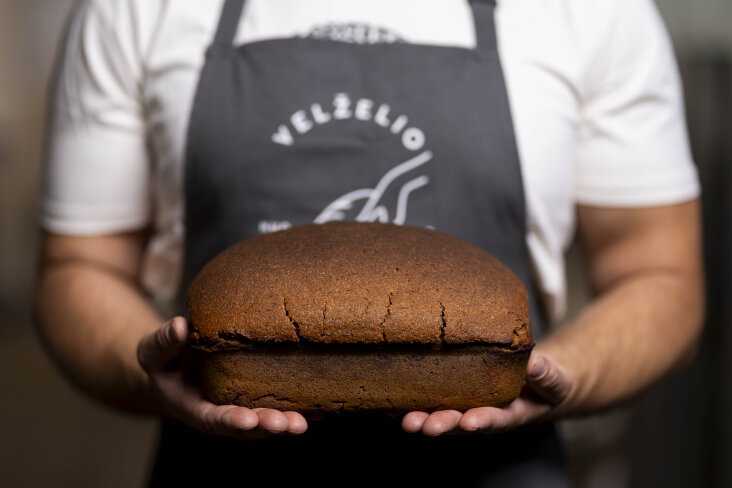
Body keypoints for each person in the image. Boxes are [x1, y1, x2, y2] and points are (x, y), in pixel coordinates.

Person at [34, 0, 704, 485]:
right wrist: (159, 380)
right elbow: (79, 266)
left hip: (504, 468)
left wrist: (563, 372)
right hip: (214, 461)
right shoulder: (132, 10)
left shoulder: (593, 12)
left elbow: (660, 274)